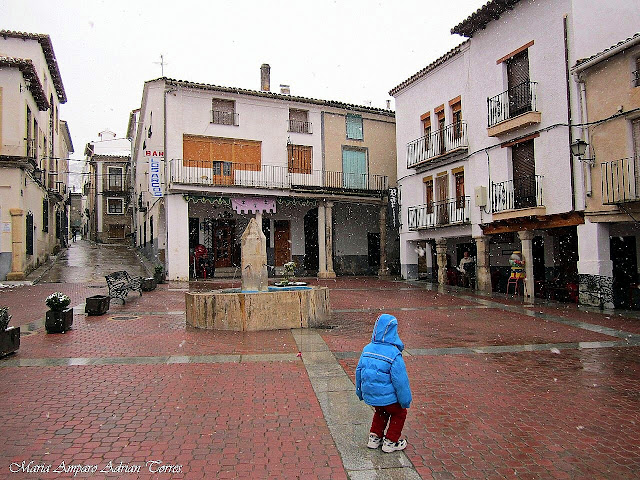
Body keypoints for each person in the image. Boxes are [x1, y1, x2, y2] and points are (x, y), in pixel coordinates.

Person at [355, 313, 412, 453]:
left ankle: (374, 438)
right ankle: (391, 441)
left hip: (371, 394)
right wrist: (405, 401)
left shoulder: (367, 349)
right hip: (389, 397)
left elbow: (359, 371)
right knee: (399, 413)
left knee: (381, 411)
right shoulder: (393, 353)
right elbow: (401, 382)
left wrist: (360, 392)